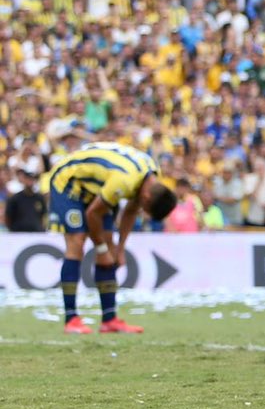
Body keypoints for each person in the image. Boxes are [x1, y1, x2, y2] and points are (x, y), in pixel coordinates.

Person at [46, 142, 177, 334]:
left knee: (109, 244)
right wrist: (101, 249)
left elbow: (131, 211)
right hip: (69, 180)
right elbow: (92, 214)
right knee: (77, 241)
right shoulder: (124, 181)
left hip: (97, 185)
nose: (142, 210)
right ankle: (71, 319)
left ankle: (109, 319)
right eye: (145, 208)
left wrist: (119, 249)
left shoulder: (152, 178)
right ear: (147, 197)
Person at [5, 166, 47, 232]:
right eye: (28, 179)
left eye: (32, 179)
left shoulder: (39, 198)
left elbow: (43, 216)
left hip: (36, 233)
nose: (30, 181)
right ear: (23, 180)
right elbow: (8, 217)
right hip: (19, 233)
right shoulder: (15, 199)